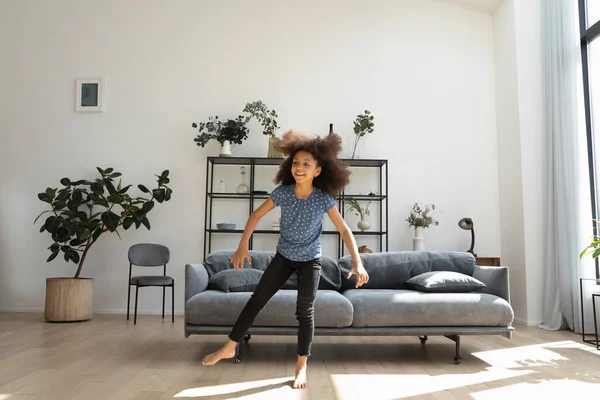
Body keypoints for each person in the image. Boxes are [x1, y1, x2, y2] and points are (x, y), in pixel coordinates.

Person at [201, 129, 370, 389]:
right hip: (284, 257)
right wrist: (241, 247)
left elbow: (345, 231)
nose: (299, 168)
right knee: (256, 300)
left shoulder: (323, 199)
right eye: (295, 162)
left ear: (317, 171)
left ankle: (301, 366)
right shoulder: (283, 193)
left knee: (305, 312)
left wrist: (357, 262)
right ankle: (229, 346)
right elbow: (255, 216)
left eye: (306, 164)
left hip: (310, 261)